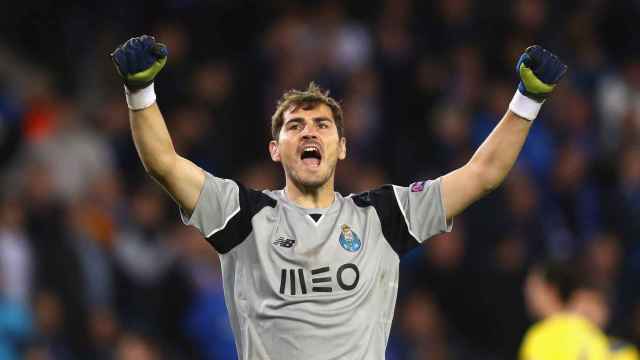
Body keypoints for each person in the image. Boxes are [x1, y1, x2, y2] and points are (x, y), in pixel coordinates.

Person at [110, 35, 567, 359]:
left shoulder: (385, 217)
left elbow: (483, 174)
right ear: (275, 149)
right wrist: (140, 91)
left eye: (322, 124)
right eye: (295, 125)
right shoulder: (242, 215)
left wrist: (527, 100)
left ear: (342, 147)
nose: (309, 131)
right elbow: (163, 163)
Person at [520, 260, 616, 359]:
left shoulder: (539, 337)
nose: (528, 298)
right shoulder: (594, 336)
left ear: (550, 289)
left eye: (533, 290)